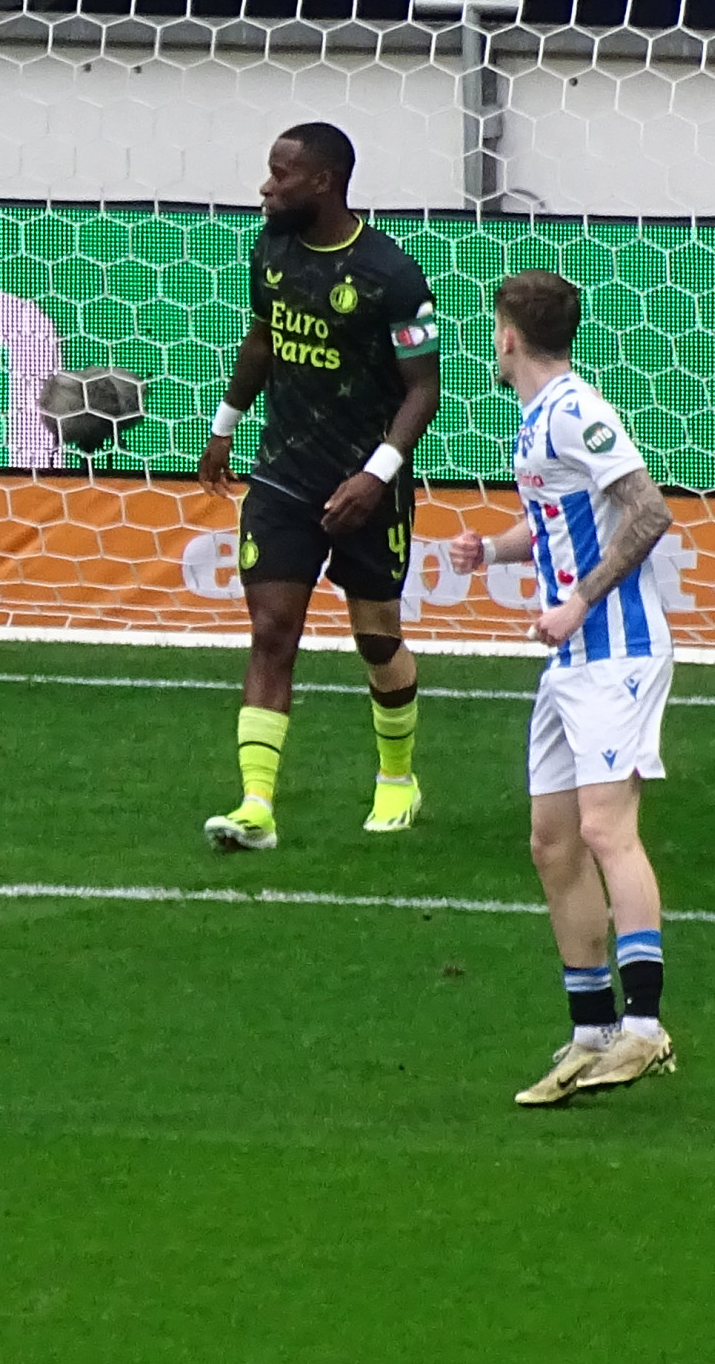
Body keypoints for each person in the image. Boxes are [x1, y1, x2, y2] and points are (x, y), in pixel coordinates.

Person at [444, 273, 679, 1106]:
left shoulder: (577, 411)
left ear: (509, 336)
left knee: (606, 830)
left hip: (616, 651)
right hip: (571, 662)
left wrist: (578, 601)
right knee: (552, 842)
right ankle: (591, 1033)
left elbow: (649, 512)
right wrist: (492, 551)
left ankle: (645, 1028)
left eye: (494, 328)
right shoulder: (540, 419)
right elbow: (558, 522)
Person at [189, 121, 441, 851]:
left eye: (281, 175)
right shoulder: (270, 249)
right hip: (283, 474)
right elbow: (263, 338)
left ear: (323, 182)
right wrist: (225, 424)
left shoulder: (393, 276)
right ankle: (255, 807)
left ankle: (397, 778)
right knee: (273, 632)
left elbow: (422, 389)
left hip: (368, 483)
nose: (265, 188)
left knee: (377, 640)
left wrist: (375, 475)